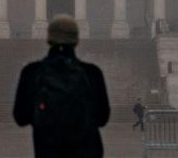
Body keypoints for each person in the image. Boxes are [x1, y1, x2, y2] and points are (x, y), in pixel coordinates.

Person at [13, 13, 110, 158]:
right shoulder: (92, 73)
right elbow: (102, 118)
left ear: (49, 38)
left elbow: (20, 118)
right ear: (76, 40)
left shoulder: (32, 72)